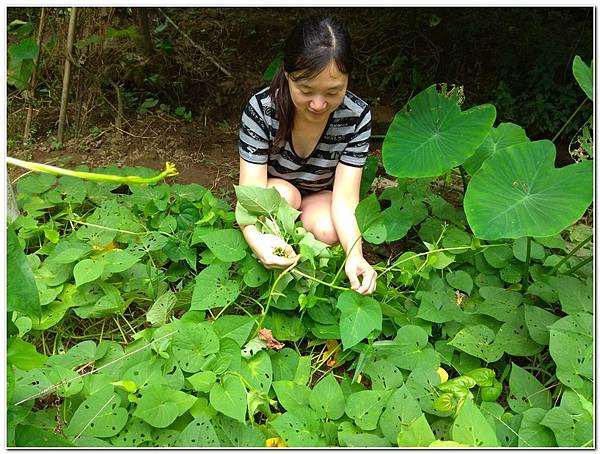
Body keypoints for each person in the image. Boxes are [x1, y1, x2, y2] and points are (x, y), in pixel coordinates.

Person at [237, 15, 377, 296]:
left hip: (320, 195)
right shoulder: (262, 109)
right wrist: (254, 239)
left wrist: (355, 253)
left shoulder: (357, 116)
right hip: (276, 190)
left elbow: (346, 198)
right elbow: (251, 191)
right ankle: (277, 242)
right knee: (282, 197)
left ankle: (301, 242)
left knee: (329, 231)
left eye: (333, 92)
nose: (318, 104)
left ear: (348, 80)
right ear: (288, 76)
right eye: (305, 90)